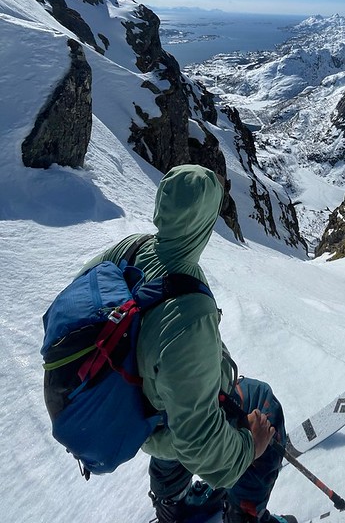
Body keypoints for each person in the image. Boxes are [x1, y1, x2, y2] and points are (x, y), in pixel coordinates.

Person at [80, 164, 290, 523]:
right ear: (205, 222)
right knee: (262, 402)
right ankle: (246, 514)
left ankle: (172, 503)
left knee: (177, 397)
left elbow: (82, 295)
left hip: (135, 407)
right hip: (164, 420)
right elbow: (199, 443)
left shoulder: (131, 249)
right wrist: (249, 447)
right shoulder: (188, 319)